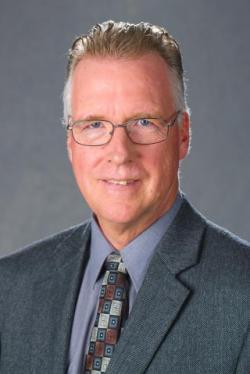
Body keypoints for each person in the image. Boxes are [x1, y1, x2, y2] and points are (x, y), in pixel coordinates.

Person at [0, 20, 249, 374]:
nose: (119, 153)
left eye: (144, 122)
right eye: (94, 124)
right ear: (71, 142)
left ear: (182, 136)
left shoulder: (242, 295)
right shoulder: (10, 290)